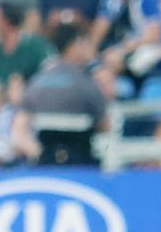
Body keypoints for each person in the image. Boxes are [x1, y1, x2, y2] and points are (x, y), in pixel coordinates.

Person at [18, 21, 110, 166]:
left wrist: (40, 156)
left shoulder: (37, 81)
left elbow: (19, 130)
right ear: (75, 45)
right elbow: (105, 125)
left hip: (46, 162)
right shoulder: (85, 83)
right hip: (81, 162)